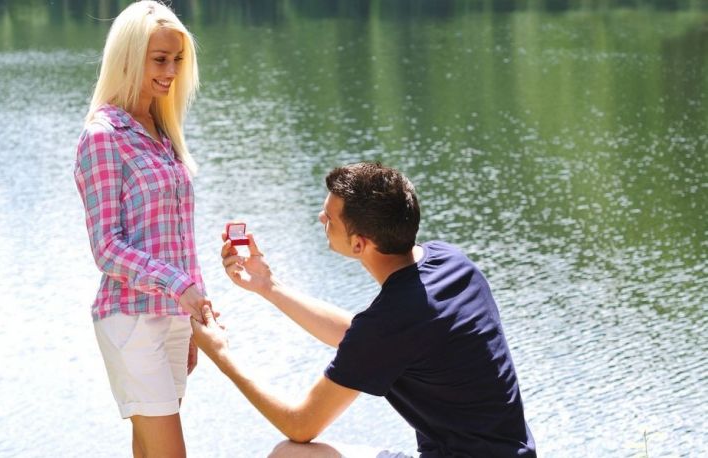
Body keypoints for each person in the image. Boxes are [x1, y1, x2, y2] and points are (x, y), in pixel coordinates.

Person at [192, 162, 536, 457]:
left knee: (290, 454)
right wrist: (269, 286)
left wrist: (221, 355)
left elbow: (300, 424)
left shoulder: (388, 325)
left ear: (359, 244)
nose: (321, 217)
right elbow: (365, 337)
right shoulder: (452, 263)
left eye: (329, 218)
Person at [73, 2, 209, 456]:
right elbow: (106, 247)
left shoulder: (161, 131)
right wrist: (178, 286)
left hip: (171, 318)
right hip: (131, 320)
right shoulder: (103, 136)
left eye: (177, 60)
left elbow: (180, 235)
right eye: (160, 59)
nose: (171, 72)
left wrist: (191, 313)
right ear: (129, 57)